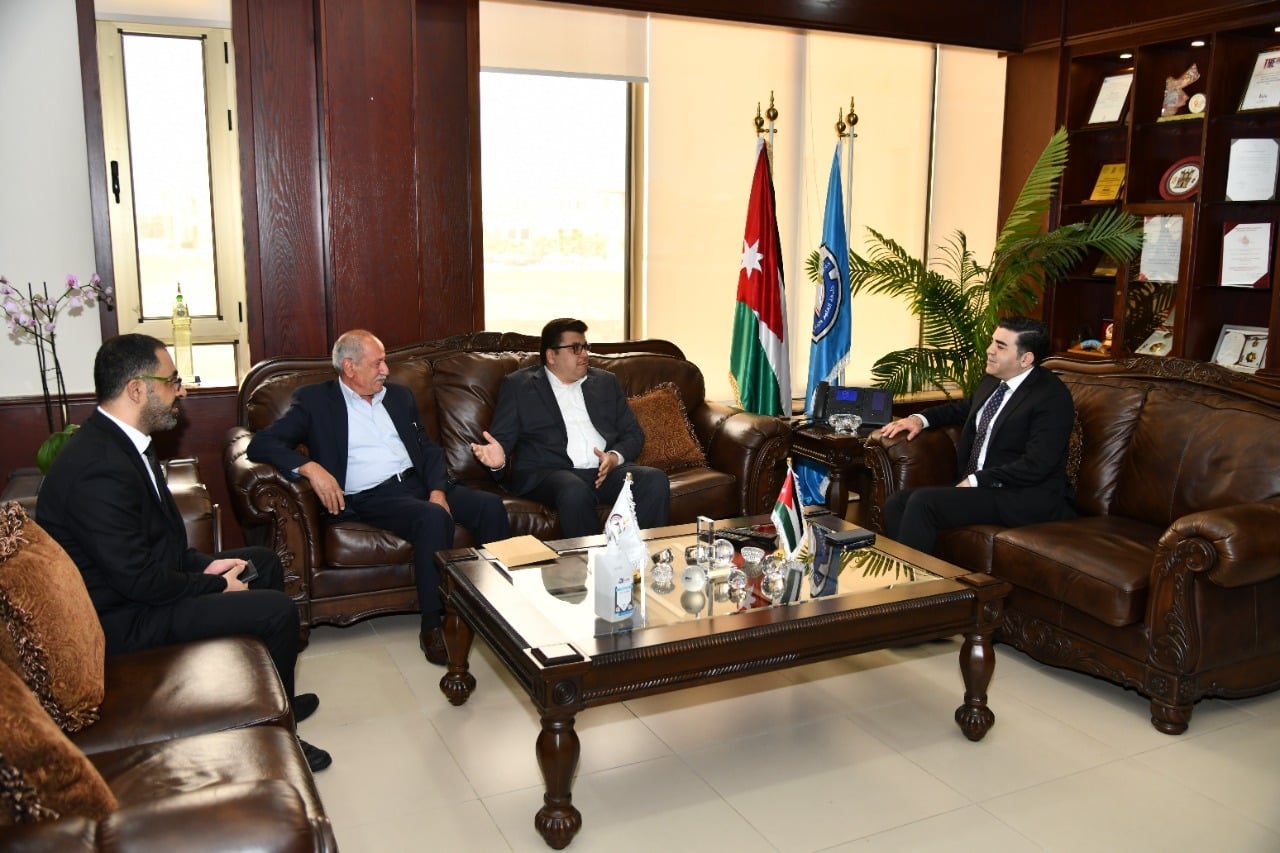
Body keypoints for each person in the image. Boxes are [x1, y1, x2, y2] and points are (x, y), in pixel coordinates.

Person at [36, 334, 331, 772]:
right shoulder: (97, 468)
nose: (182, 391)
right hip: (122, 621)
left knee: (263, 563)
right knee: (276, 612)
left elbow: (161, 547)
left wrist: (204, 565)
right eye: (172, 381)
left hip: (138, 592)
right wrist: (213, 584)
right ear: (137, 389)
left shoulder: (126, 443)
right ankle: (280, 732)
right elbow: (138, 580)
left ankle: (270, 696)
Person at [248, 329, 509, 665]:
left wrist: (437, 490)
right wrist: (310, 468)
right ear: (349, 367)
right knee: (432, 517)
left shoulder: (399, 396)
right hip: (371, 495)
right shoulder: (315, 401)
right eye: (378, 363)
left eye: (384, 362)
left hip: (418, 484)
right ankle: (433, 624)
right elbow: (261, 444)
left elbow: (428, 449)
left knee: (490, 507)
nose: (386, 370)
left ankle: (495, 610)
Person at [878, 316, 1076, 554]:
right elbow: (962, 409)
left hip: (1022, 495)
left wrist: (978, 480)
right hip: (983, 488)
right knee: (896, 503)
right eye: (992, 342)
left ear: (1026, 359)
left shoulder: (1051, 397)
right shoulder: (994, 380)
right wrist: (919, 419)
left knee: (924, 503)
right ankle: (904, 572)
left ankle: (914, 578)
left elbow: (1037, 464)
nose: (990, 350)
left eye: (1000, 346)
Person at [470, 317, 670, 538]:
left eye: (585, 346)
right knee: (574, 490)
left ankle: (635, 554)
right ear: (551, 355)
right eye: (575, 348)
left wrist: (614, 458)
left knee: (654, 480)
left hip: (604, 473)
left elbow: (633, 433)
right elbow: (501, 441)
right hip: (550, 474)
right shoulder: (519, 386)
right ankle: (592, 558)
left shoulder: (605, 382)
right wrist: (498, 462)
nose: (584, 354)